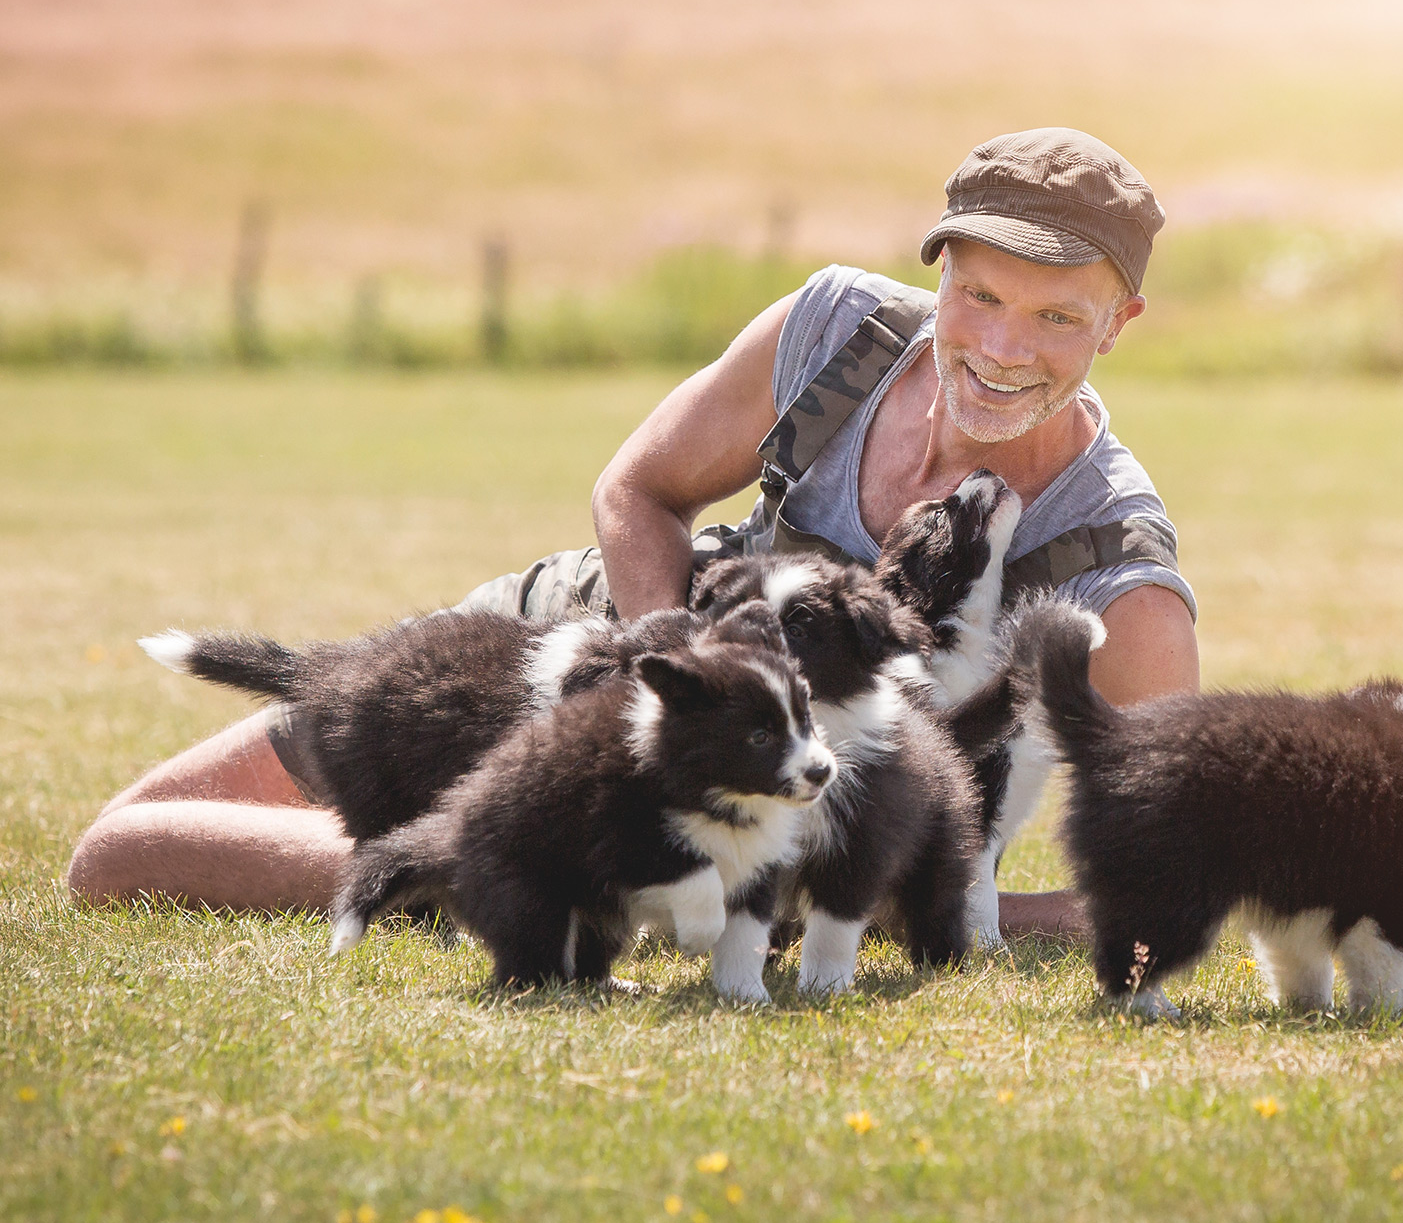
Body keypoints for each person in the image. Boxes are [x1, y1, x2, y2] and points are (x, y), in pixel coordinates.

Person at [66, 128, 1200, 938]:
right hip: (572, 653)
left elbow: (1166, 880)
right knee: (122, 849)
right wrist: (659, 688)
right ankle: (500, 864)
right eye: (981, 297)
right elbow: (637, 489)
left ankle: (505, 868)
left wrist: (947, 901)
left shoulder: (1118, 586)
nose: (1003, 348)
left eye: (1057, 317)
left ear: (1119, 324)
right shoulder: (836, 333)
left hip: (748, 801)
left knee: (142, 858)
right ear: (937, 270)